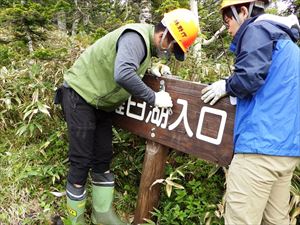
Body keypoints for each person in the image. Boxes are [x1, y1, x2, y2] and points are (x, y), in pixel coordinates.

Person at [54, 8, 199, 225]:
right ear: (165, 35)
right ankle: (73, 221)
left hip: (100, 104)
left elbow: (131, 65)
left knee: (103, 159)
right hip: (79, 95)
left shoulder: (146, 46)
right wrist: (154, 98)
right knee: (81, 161)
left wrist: (153, 69)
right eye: (173, 47)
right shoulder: (135, 37)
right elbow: (123, 73)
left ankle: (101, 215)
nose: (170, 52)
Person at [201, 0, 300, 224]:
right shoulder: (287, 44)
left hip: (259, 149)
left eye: (228, 21)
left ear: (243, 12)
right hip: (287, 150)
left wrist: (226, 85)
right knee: (275, 220)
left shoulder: (257, 29)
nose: (227, 28)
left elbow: (248, 78)